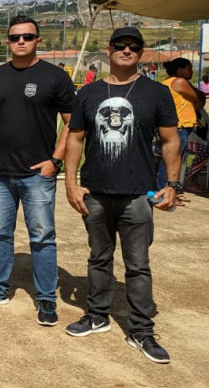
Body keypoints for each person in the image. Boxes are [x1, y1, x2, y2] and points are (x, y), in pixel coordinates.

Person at [64, 26, 181, 365]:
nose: (126, 50)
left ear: (141, 53)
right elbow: (74, 138)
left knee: (138, 265)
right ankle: (96, 315)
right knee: (98, 258)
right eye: (120, 45)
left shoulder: (157, 93)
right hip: (96, 192)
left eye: (134, 46)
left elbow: (171, 140)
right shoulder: (88, 93)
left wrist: (173, 185)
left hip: (137, 195)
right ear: (109, 50)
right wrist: (71, 183)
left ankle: (141, 330)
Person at [0, 15, 75, 326]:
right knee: (0, 233)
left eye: (27, 37)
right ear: (8, 42)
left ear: (38, 40)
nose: (21, 42)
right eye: (15, 37)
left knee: (42, 236)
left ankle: (46, 297)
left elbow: (72, 124)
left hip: (37, 175)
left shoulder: (56, 77)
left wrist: (54, 161)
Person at [156, 58, 205, 189]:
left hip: (175, 125)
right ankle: (165, 190)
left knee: (170, 160)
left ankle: (169, 190)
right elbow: (200, 96)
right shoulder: (179, 82)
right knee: (171, 161)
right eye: (189, 68)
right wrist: (198, 97)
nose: (192, 72)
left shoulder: (167, 82)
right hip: (179, 127)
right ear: (180, 70)